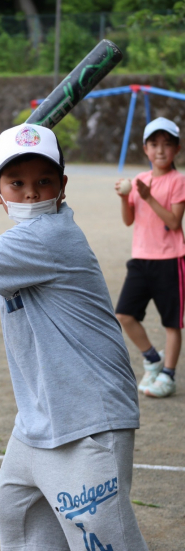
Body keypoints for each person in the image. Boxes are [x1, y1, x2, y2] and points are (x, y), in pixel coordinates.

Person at [0, 124, 148, 551]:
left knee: (102, 542)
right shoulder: (21, 244)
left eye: (43, 182)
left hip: (88, 420)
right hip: (40, 420)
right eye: (16, 183)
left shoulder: (49, 236)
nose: (30, 194)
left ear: (62, 185)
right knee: (19, 517)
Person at [115, 117, 185, 399]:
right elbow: (128, 221)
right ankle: (152, 359)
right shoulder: (140, 180)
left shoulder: (178, 181)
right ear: (145, 149)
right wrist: (125, 197)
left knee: (172, 323)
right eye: (154, 144)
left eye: (167, 145)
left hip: (171, 260)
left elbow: (174, 221)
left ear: (177, 150)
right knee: (124, 314)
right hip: (141, 258)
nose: (160, 150)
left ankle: (168, 375)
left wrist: (148, 196)